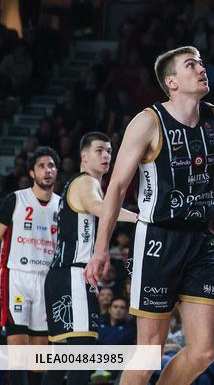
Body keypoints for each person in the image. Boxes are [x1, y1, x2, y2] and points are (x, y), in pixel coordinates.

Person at [84, 46, 214, 385]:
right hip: (158, 239)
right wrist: (100, 250)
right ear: (172, 81)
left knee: (203, 352)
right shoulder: (147, 122)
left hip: (200, 239)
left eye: (201, 63)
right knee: (149, 352)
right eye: (191, 65)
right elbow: (117, 187)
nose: (201, 69)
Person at [43, 133, 138, 385]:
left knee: (64, 356)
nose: (106, 155)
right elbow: (101, 208)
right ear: (84, 156)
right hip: (72, 273)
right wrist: (142, 218)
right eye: (99, 151)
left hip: (66, 274)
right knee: (83, 351)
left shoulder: (85, 184)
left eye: (109, 151)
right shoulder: (85, 183)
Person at [0, 147, 61, 385]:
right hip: (17, 276)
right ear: (32, 173)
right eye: (42, 166)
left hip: (47, 281)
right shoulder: (15, 199)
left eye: (52, 166)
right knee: (18, 352)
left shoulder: (62, 205)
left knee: (39, 358)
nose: (48, 170)